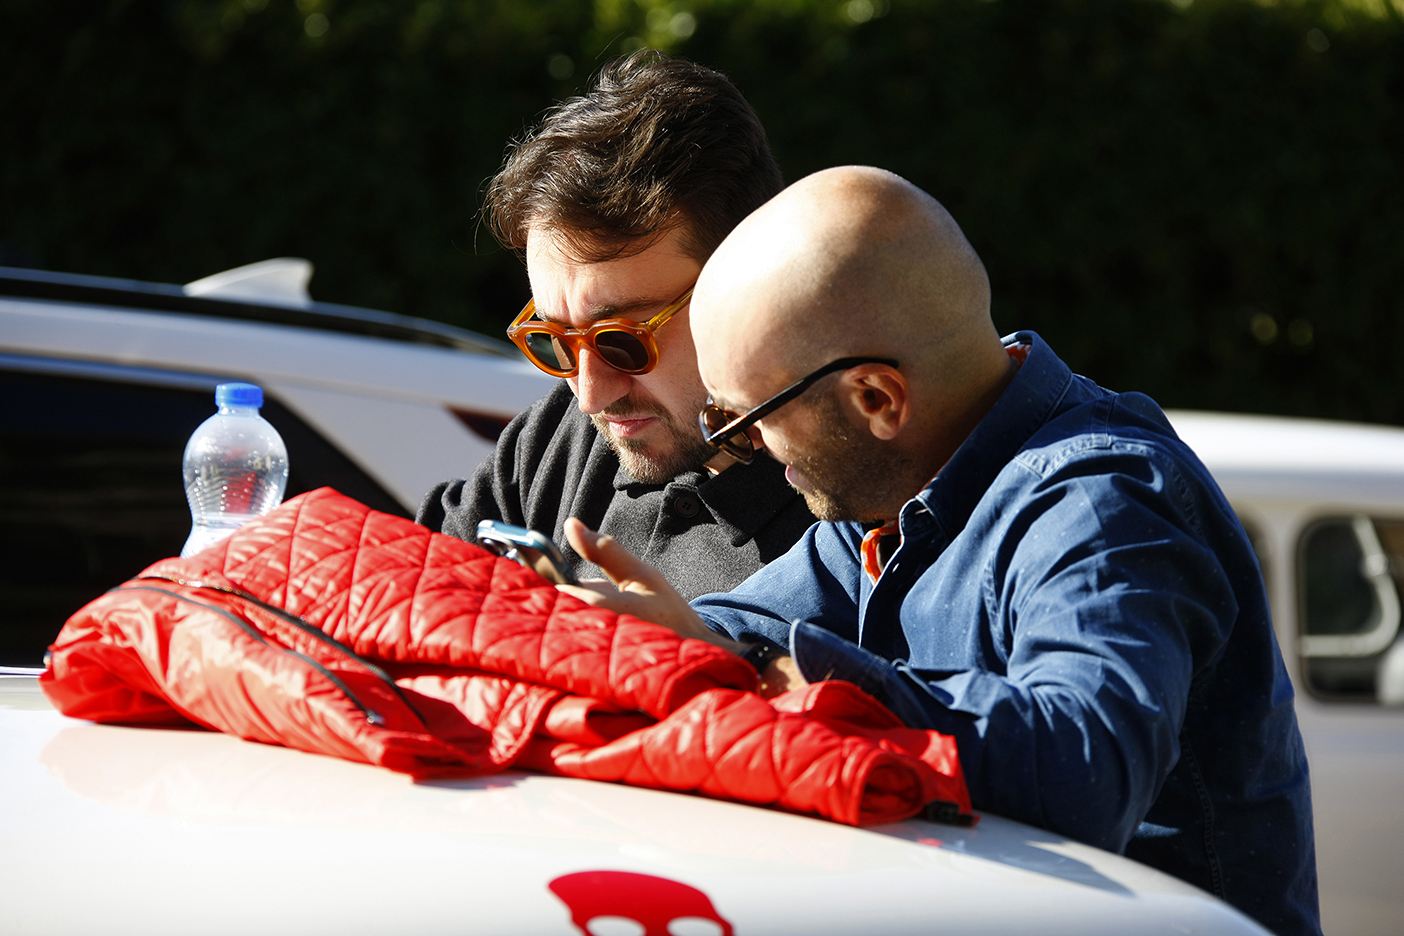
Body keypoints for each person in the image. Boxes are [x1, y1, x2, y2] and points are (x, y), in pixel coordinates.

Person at [558, 166, 1321, 936]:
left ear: (877, 399)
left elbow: (1082, 769)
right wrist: (619, 632)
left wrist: (774, 675)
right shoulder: (898, 489)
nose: (745, 445)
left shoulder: (1101, 508)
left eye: (749, 415)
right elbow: (734, 628)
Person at [417, 52, 816, 599]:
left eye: (623, 342)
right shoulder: (561, 437)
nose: (590, 395)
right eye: (554, 341)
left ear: (749, 284)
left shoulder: (859, 498)